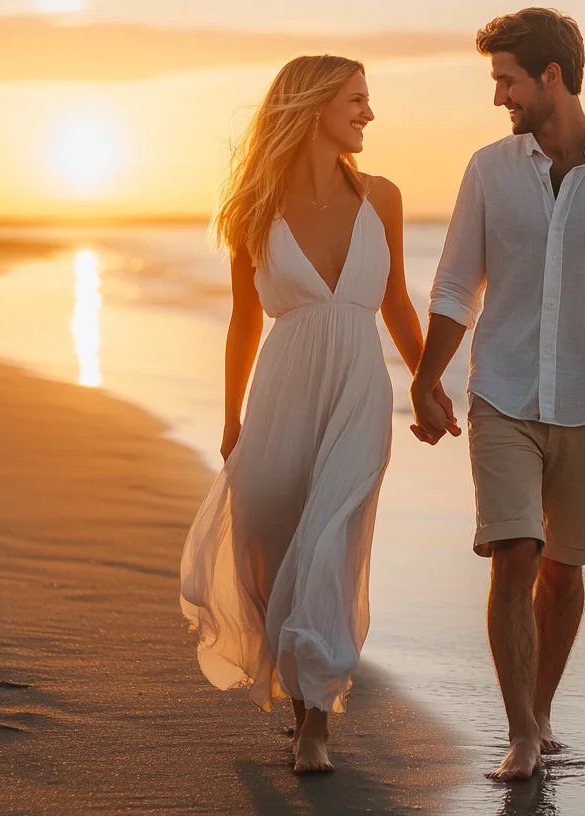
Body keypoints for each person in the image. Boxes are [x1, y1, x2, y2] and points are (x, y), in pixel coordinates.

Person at [409, 9, 585, 781]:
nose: (499, 96)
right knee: (514, 553)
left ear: (551, 78)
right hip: (501, 392)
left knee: (564, 569)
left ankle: (538, 710)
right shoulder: (488, 170)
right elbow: (455, 284)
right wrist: (428, 375)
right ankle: (523, 735)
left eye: (506, 80)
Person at [179, 54, 445, 775]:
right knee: (269, 549)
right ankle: (301, 710)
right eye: (356, 100)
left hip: (358, 393)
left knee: (330, 544)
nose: (368, 113)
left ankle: (317, 726)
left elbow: (394, 303)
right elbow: (243, 325)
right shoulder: (253, 208)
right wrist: (233, 422)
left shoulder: (381, 197)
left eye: (367, 100)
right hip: (280, 395)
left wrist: (427, 383)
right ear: (313, 107)